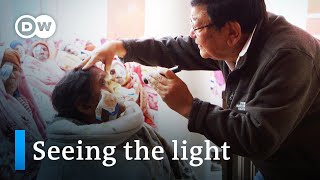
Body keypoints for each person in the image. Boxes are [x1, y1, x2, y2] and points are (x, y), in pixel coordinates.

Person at [82, 0, 320, 179]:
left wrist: (189, 107)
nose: (191, 34)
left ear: (232, 32)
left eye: (196, 26)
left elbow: (257, 138)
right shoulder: (239, 36)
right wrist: (122, 47)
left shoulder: (288, 57)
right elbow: (177, 48)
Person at [37, 66, 197, 180]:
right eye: (103, 83)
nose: (115, 86)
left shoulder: (132, 124)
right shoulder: (66, 160)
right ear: (85, 106)